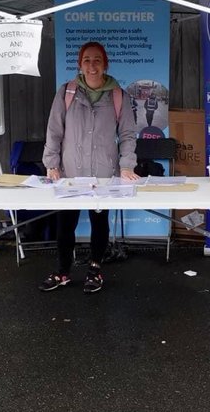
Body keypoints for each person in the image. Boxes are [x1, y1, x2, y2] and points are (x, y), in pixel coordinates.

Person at [40, 41, 138, 293]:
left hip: (103, 174)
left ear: (105, 64)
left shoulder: (118, 96)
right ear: (79, 64)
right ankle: (63, 271)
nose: (92, 66)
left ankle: (95, 270)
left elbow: (127, 134)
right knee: (65, 224)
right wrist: (51, 164)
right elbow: (54, 130)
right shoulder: (66, 93)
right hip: (70, 172)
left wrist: (126, 165)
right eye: (87, 60)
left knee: (99, 222)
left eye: (97, 60)